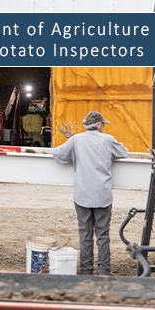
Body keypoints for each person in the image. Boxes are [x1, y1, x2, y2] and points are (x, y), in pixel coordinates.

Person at [52, 111, 128, 276]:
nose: (104, 127)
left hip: (82, 195)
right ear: (99, 125)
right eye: (103, 124)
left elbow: (57, 154)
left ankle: (86, 272)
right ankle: (104, 272)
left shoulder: (76, 139)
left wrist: (74, 157)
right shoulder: (108, 140)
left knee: (85, 235)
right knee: (102, 236)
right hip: (102, 196)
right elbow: (124, 152)